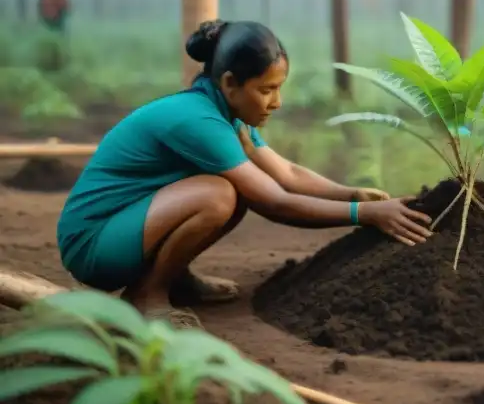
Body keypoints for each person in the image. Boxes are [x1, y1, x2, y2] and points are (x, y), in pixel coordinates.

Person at [57, 20, 433, 328]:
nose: (277, 102)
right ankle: (146, 295)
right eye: (267, 90)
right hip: (92, 244)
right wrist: (363, 216)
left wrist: (349, 194)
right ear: (230, 83)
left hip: (126, 228)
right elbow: (274, 201)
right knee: (220, 195)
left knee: (231, 192)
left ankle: (174, 279)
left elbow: (286, 172)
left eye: (278, 89)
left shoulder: (227, 116)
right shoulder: (198, 120)